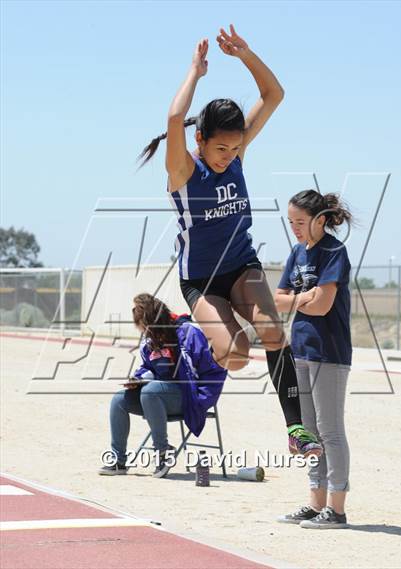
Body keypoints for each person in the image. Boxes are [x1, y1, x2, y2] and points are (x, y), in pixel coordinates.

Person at [138, 25, 322, 458]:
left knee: (273, 332)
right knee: (237, 355)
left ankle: (296, 429)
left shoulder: (235, 155)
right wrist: (195, 73)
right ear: (200, 139)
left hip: (241, 265)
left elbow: (273, 94)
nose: (228, 156)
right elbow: (171, 120)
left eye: (235, 148)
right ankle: (203, 337)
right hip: (201, 279)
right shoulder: (184, 170)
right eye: (221, 148)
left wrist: (246, 54)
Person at [275, 189, 353, 529]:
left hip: (329, 351)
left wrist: (301, 298)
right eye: (291, 221)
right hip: (301, 350)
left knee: (330, 430)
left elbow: (323, 306)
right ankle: (315, 503)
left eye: (301, 221)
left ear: (320, 220)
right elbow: (276, 298)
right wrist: (306, 296)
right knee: (308, 431)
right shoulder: (296, 252)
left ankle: (336, 509)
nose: (295, 227)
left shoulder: (334, 251)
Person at [99, 293, 227, 478]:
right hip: (159, 395)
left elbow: (215, 370)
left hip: (189, 397)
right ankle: (119, 460)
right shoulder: (150, 341)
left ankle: (163, 452)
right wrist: (137, 380)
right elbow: (147, 367)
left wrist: (201, 399)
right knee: (119, 399)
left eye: (147, 328)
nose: (146, 333)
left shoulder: (189, 333)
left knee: (150, 392)